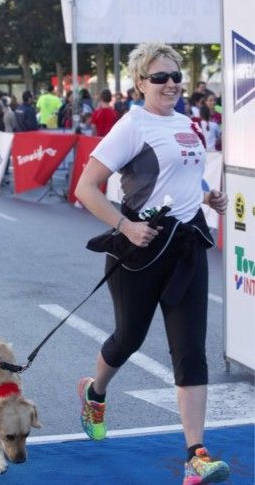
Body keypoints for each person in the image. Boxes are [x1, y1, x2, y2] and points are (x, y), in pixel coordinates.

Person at [75, 42, 230, 485]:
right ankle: (95, 391)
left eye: (176, 76)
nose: (171, 85)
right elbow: (87, 188)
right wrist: (124, 226)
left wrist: (206, 196)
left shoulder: (186, 123)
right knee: (129, 338)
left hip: (186, 247)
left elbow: (176, 178)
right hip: (139, 250)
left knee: (190, 351)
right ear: (140, 82)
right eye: (160, 77)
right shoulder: (131, 125)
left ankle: (195, 455)